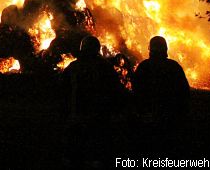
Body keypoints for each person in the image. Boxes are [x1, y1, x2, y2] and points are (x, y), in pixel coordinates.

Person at [62, 35, 123, 167]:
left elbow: (62, 90)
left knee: (76, 151)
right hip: (99, 117)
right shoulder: (105, 68)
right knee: (96, 151)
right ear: (97, 49)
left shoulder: (73, 67)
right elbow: (116, 91)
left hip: (77, 115)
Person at [132, 36, 190, 153]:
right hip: (170, 116)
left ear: (150, 49)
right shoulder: (174, 67)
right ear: (165, 49)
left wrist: (141, 111)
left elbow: (136, 90)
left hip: (148, 115)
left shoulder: (144, 67)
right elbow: (184, 92)